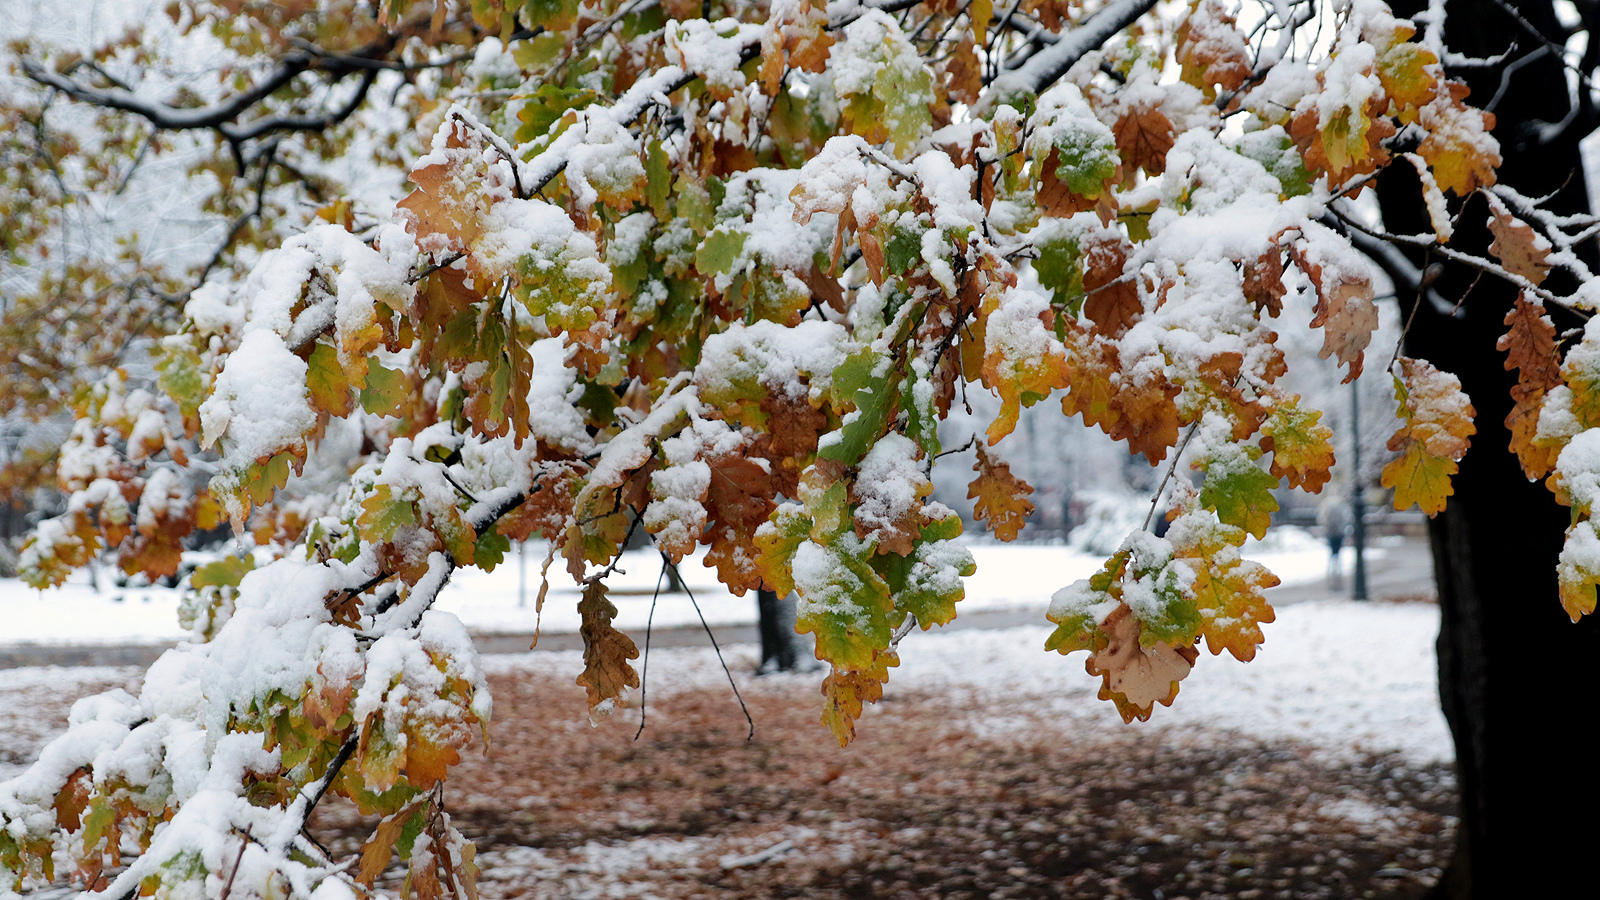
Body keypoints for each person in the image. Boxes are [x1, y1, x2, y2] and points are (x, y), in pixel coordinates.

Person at [1318, 495, 1352, 586]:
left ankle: (1332, 569)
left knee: (1332, 552)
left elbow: (1321, 519)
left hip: (1331, 533)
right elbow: (1346, 518)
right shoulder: (1341, 506)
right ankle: (1337, 569)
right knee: (1338, 551)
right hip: (1338, 533)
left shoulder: (1328, 506)